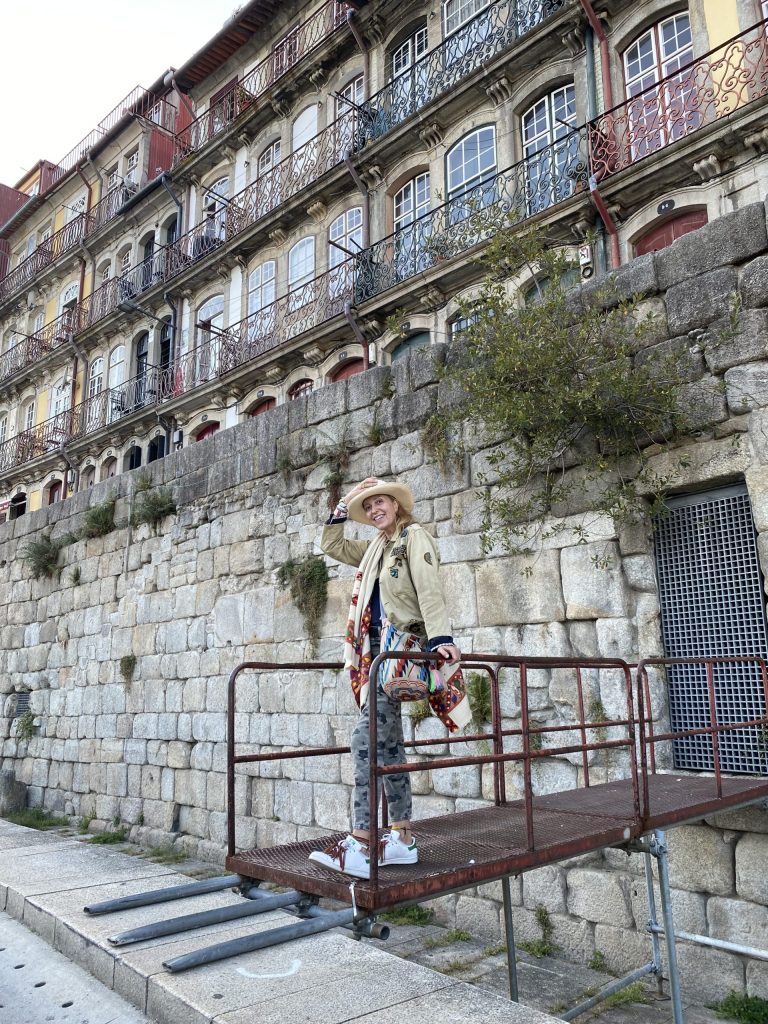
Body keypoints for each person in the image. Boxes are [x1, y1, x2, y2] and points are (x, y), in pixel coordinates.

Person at [309, 477, 470, 879]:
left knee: (366, 741)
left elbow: (429, 588)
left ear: (396, 505)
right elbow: (331, 545)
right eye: (370, 507)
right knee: (390, 744)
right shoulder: (375, 548)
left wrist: (442, 638)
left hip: (400, 651)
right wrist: (344, 505)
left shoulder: (414, 538)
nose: (376, 509)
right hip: (375, 653)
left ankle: (362, 843)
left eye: (381, 502)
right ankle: (401, 839)